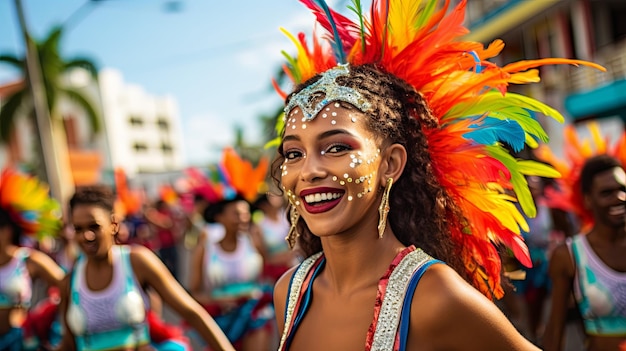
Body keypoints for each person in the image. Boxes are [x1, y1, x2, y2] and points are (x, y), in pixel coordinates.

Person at [269, 0, 604, 350]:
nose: (309, 170)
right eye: (294, 153)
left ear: (390, 164)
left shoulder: (432, 295)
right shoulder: (290, 292)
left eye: (337, 148)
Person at [57, 185, 234, 351]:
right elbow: (69, 343)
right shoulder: (70, 281)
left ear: (113, 225)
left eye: (94, 226)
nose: (86, 236)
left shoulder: (136, 262)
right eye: (78, 229)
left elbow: (192, 313)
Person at [188, 149, 275, 350]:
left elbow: (265, 275)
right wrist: (219, 300)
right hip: (220, 321)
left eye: (246, 213)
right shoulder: (206, 248)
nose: (244, 218)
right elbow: (195, 291)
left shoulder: (254, 241)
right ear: (219, 217)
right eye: (237, 214)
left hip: (254, 314)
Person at [543, 154, 626, 351]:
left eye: (623, 189)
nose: (620, 197)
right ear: (588, 200)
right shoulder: (569, 255)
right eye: (607, 193)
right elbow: (555, 329)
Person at [0, 168, 66, 350]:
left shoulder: (28, 260)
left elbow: (68, 287)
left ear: (7, 231)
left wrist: (48, 319)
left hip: (21, 343)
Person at [252, 192, 299, 285]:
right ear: (264, 205)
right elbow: (262, 252)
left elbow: (297, 239)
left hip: (293, 261)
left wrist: (291, 255)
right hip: (274, 269)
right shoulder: (260, 225)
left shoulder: (287, 217)